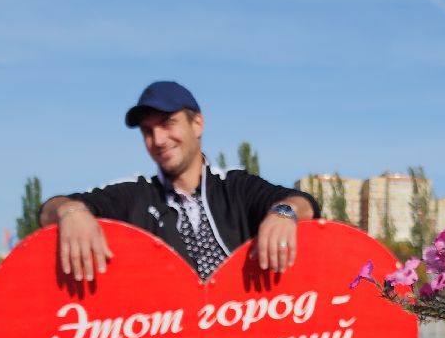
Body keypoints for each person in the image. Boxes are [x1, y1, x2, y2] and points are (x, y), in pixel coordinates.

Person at [39, 81, 319, 281]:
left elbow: (303, 204)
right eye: (148, 131)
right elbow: (50, 211)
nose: (158, 140)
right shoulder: (135, 196)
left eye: (168, 123)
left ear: (197, 124)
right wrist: (70, 212)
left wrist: (283, 213)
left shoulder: (234, 187)